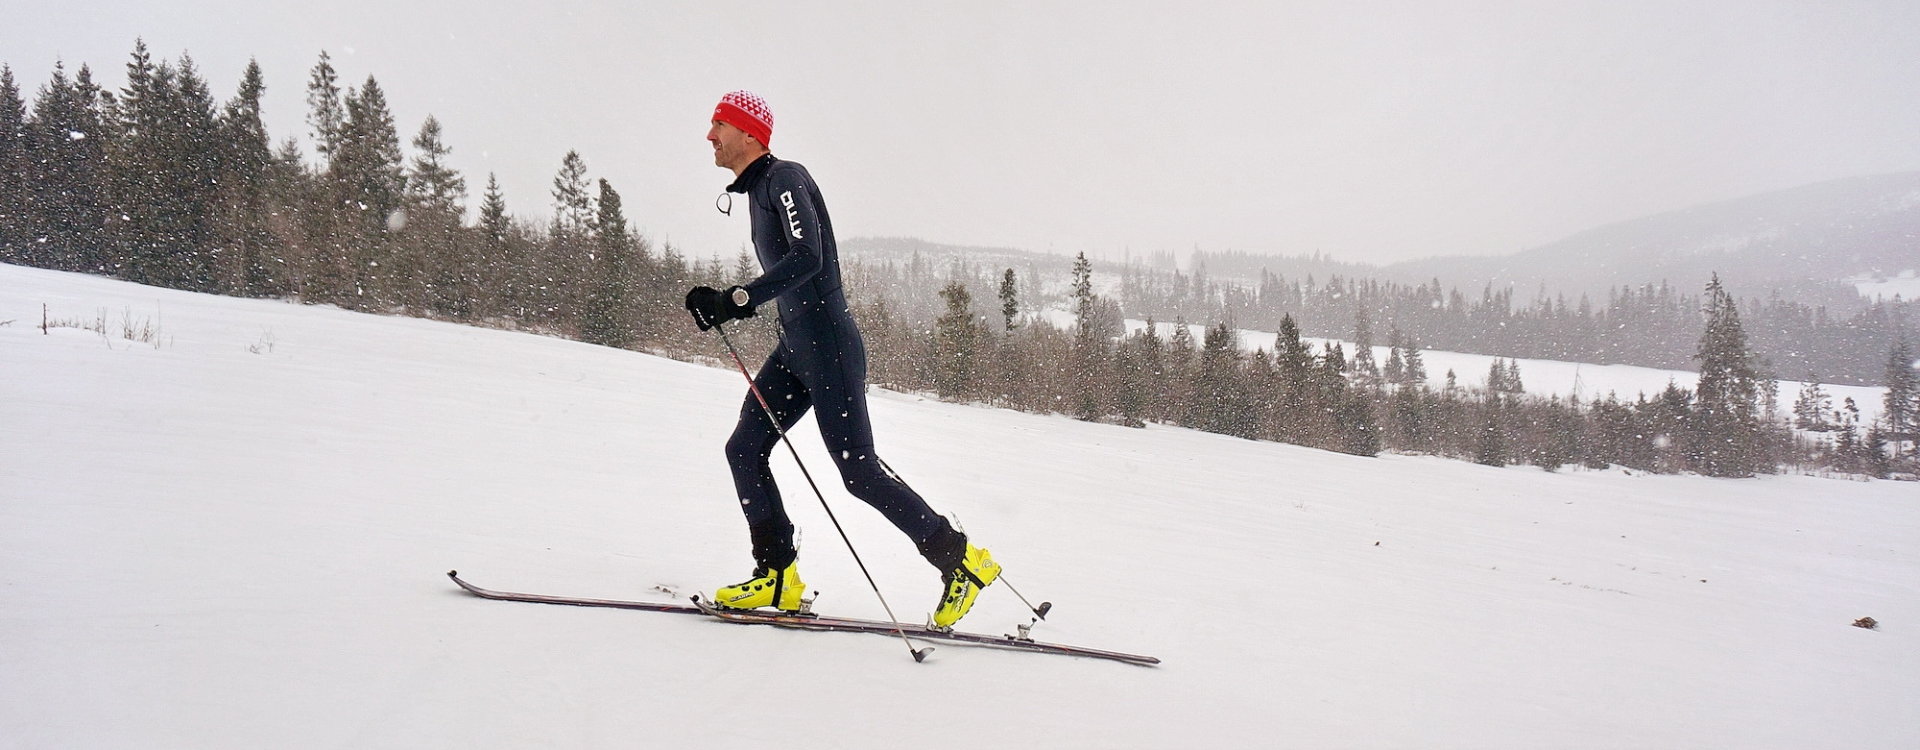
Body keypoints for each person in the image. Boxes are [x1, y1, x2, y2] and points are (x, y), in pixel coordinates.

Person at [684, 90, 998, 629]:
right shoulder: (758, 192)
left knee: (859, 473)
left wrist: (738, 300)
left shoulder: (784, 178)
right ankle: (778, 573)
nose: (709, 136)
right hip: (796, 347)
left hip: (827, 345)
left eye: (718, 125)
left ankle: (961, 561)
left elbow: (810, 257)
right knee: (743, 448)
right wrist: (725, 301)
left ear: (749, 134)